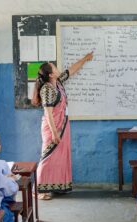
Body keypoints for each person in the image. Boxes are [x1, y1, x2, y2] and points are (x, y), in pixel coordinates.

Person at [32, 52, 93, 200]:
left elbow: (71, 70)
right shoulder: (47, 89)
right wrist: (54, 133)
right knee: (47, 157)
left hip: (62, 125)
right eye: (54, 67)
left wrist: (84, 59)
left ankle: (53, 187)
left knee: (57, 158)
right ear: (51, 74)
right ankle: (38, 190)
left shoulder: (57, 82)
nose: (57, 68)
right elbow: (48, 113)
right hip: (52, 127)